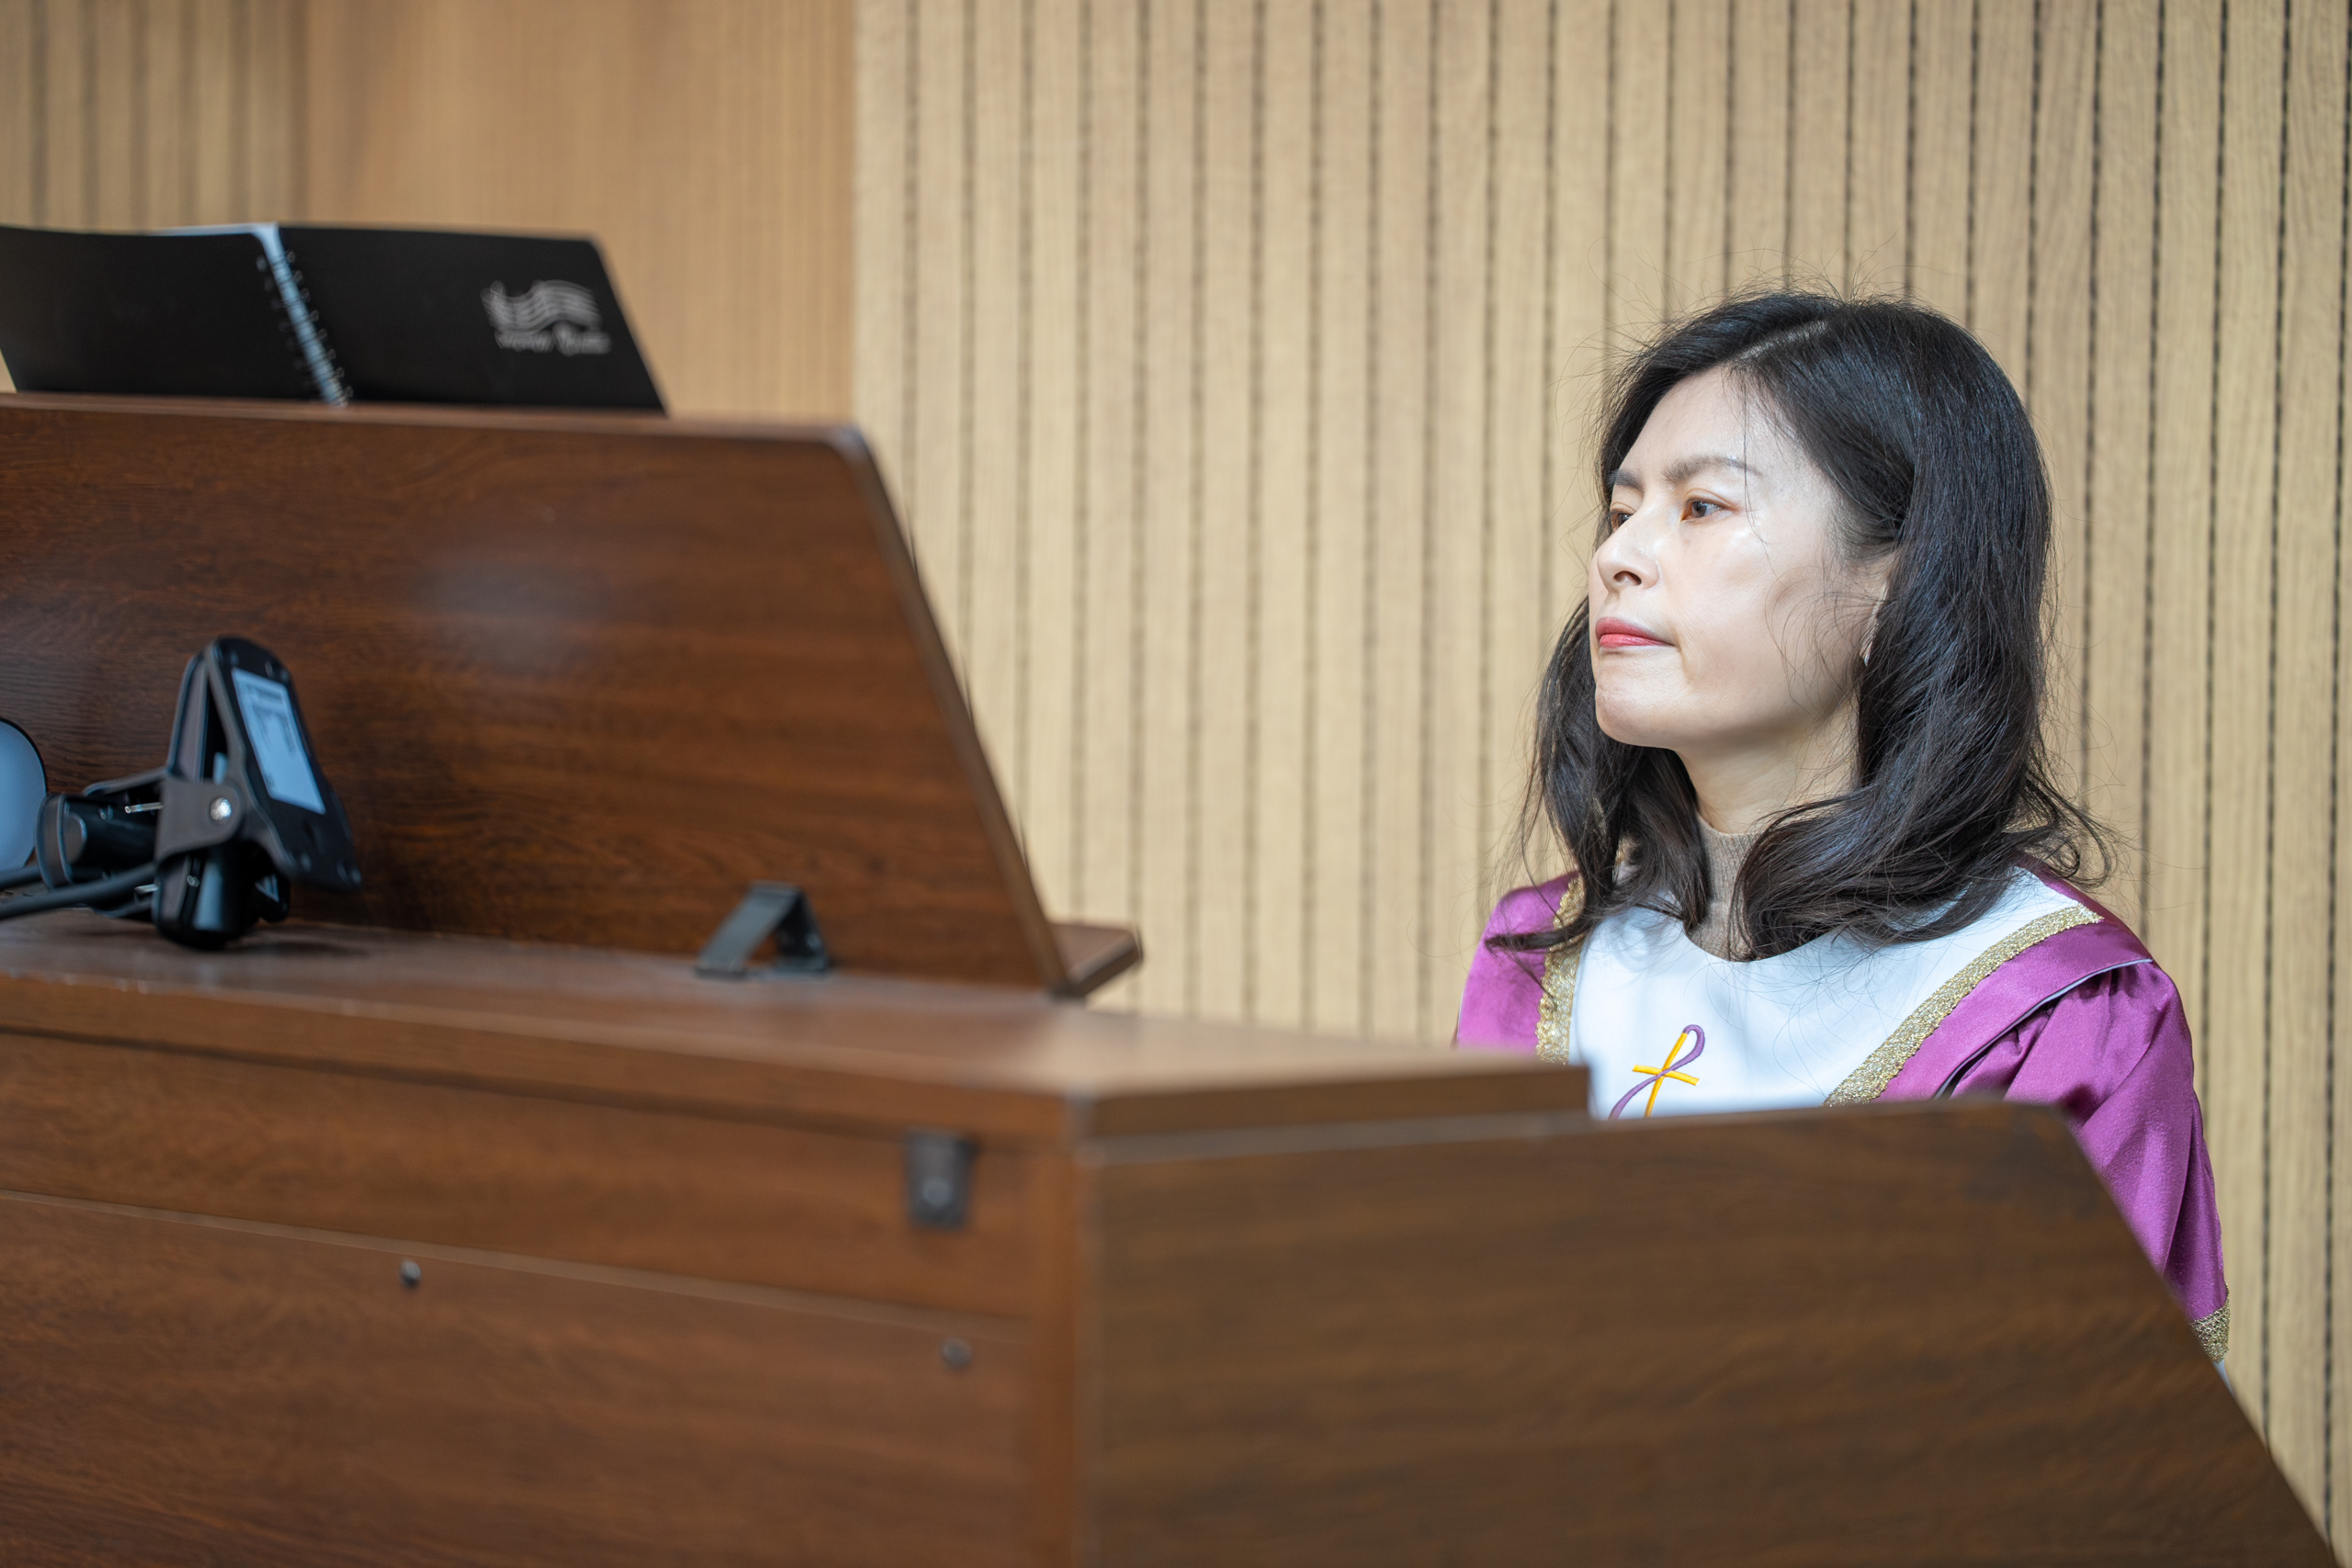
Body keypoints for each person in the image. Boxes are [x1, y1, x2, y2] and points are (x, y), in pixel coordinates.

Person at [1455, 292, 2228, 1361]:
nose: (1619, 555)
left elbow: (2097, 1441)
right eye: (1621, 509)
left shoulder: (2052, 1015)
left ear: (1893, 584)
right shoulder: (1542, 966)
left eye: (1701, 508)